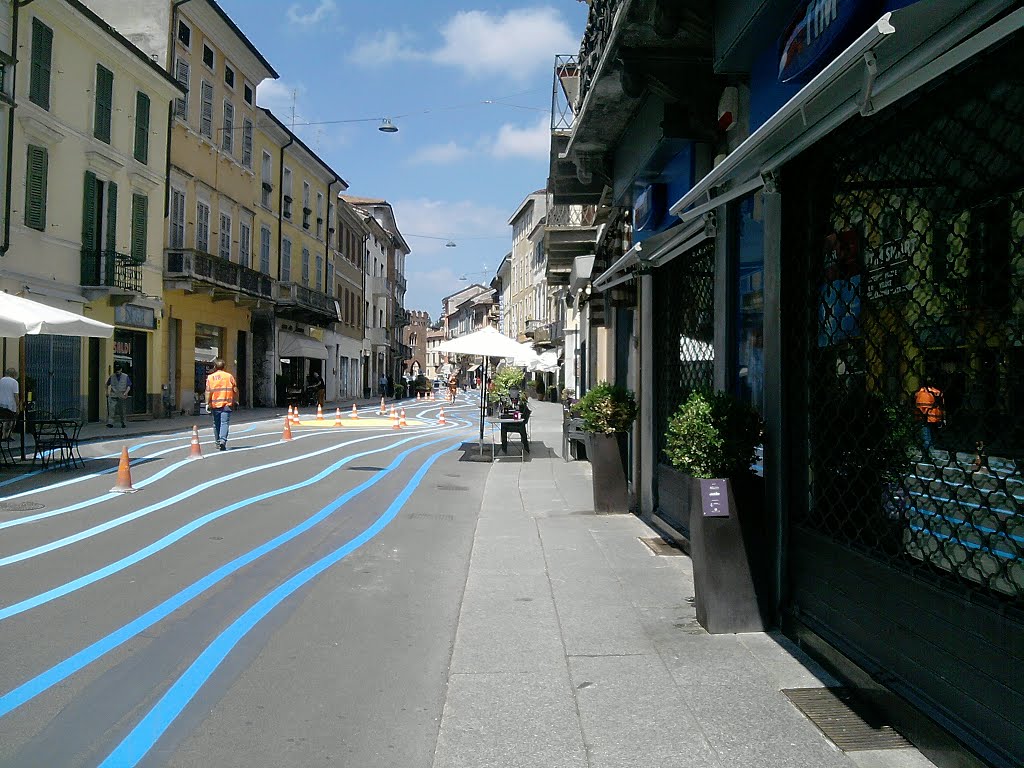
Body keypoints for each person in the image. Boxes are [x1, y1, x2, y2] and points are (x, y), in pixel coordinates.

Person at [205, 358, 238, 451]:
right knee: (225, 423)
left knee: (216, 424)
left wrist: (207, 403)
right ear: (224, 367)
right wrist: (236, 400)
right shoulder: (229, 376)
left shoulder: (210, 377)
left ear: (215, 367)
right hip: (227, 404)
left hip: (215, 405)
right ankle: (223, 441)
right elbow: (235, 390)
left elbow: (208, 391)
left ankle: (217, 442)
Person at [914, 381, 945, 456]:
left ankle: (926, 453)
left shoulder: (920, 393)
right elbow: (942, 405)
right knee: (930, 437)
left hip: (924, 417)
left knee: (927, 437)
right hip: (934, 417)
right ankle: (928, 453)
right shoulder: (937, 392)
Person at [106, 363, 132, 428]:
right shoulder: (112, 376)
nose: (117, 371)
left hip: (122, 396)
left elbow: (129, 386)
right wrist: (107, 392)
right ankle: (110, 423)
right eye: (116, 370)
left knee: (122, 410)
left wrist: (126, 393)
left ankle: (123, 423)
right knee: (111, 409)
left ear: (121, 369)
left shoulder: (125, 376)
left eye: (118, 370)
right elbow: (106, 384)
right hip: (113, 395)